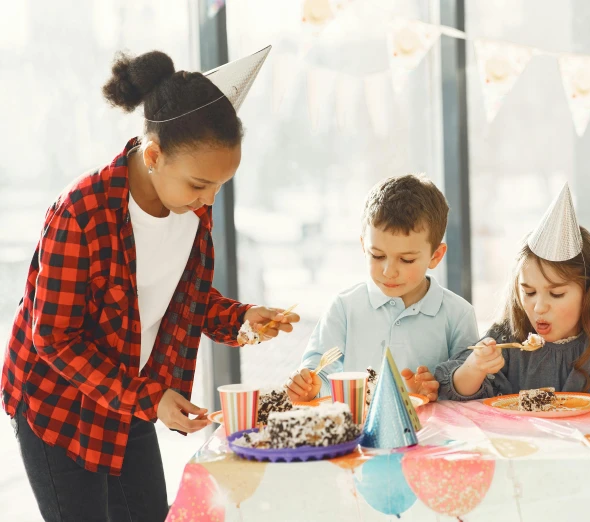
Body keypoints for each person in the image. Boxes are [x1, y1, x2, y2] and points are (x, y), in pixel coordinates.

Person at [1, 47, 299, 522]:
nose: (209, 200)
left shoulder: (190, 212)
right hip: (58, 406)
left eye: (219, 186)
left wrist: (241, 318)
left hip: (131, 394)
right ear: (155, 154)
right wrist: (149, 397)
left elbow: (187, 301)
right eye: (200, 184)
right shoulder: (80, 212)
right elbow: (53, 339)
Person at [436, 184, 590, 399]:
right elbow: (453, 392)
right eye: (529, 293)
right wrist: (475, 368)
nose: (539, 307)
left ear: (589, 291)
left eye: (557, 294)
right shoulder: (507, 337)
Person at [286, 174, 478, 403]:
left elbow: (468, 391)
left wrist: (436, 389)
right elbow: (322, 374)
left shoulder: (458, 314)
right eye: (377, 255)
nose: (388, 271)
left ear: (435, 256)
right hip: (359, 435)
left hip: (431, 436)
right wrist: (309, 387)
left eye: (406, 260)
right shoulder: (344, 307)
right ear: (363, 247)